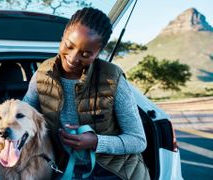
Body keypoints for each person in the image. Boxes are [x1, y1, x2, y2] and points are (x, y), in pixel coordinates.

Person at [23, 7, 150, 180]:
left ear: (99, 53)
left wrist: (96, 142)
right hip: (66, 167)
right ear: (63, 36)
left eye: (85, 54)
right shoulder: (42, 74)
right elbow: (24, 117)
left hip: (115, 172)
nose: (73, 58)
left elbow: (138, 141)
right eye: (69, 46)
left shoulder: (113, 79)